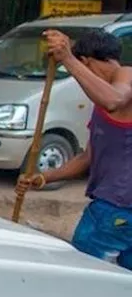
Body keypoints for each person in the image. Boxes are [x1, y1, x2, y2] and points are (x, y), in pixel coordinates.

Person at [16, 27, 132, 270]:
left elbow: (113, 100)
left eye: (83, 70)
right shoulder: (102, 99)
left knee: (83, 272)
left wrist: (67, 59)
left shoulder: (126, 76)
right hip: (116, 207)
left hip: (116, 209)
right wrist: (42, 177)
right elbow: (87, 157)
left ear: (87, 62)